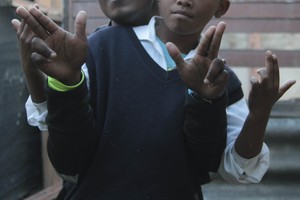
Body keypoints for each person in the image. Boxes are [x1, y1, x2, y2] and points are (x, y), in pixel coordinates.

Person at [13, 0, 296, 199]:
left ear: (221, 6)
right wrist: (67, 83)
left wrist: (257, 116)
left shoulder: (221, 79)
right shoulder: (99, 48)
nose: (184, 0)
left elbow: (230, 169)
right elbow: (68, 162)